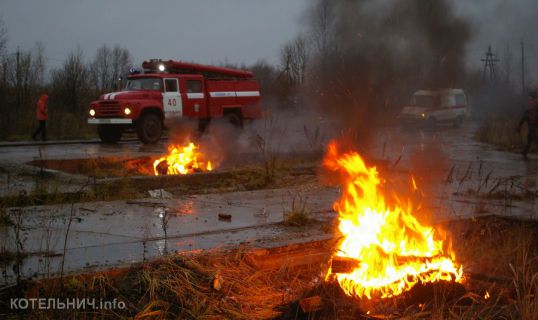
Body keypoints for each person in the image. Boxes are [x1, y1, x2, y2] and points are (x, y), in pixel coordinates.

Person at [517, 91, 538, 159]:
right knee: (530, 140)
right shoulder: (527, 112)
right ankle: (524, 153)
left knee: (535, 139)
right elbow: (522, 120)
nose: (530, 102)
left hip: (533, 127)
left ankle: (524, 153)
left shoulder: (535, 109)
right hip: (531, 128)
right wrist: (519, 127)